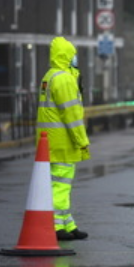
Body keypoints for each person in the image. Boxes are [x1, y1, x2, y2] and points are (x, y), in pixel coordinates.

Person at [36, 36, 91, 241]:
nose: (75, 59)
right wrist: (82, 140)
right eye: (73, 55)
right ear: (67, 56)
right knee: (61, 184)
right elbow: (72, 116)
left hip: (49, 141)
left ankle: (68, 223)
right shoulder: (64, 79)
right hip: (62, 142)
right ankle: (57, 225)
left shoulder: (49, 76)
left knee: (61, 184)